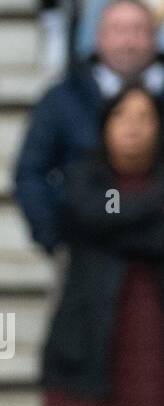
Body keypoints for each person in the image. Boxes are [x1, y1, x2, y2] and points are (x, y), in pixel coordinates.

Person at [41, 84, 164, 406]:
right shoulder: (81, 179)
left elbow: (106, 222)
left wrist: (115, 230)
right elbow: (93, 213)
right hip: (97, 360)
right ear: (104, 126)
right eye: (121, 117)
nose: (132, 128)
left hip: (155, 361)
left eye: (144, 118)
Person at [16, 0, 163, 253]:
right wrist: (53, 236)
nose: (128, 43)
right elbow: (31, 173)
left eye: (138, 31)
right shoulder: (63, 98)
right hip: (87, 259)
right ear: (98, 37)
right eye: (118, 31)